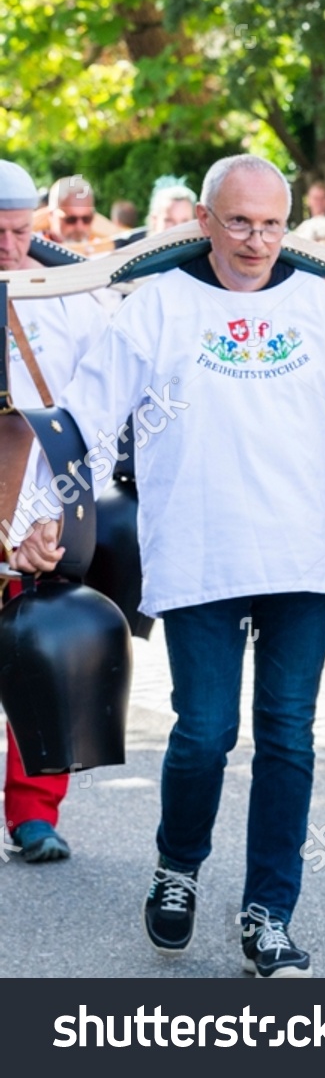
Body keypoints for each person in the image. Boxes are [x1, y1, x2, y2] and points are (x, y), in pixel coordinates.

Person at [9, 154, 325, 976]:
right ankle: (178, 868)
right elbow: (80, 419)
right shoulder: (156, 308)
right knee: (206, 732)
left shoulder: (318, 309)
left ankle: (269, 911)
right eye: (238, 222)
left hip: (301, 551)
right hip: (198, 552)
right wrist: (32, 514)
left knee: (288, 736)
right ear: (204, 222)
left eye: (270, 224)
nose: (256, 240)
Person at [0, 159, 109, 863]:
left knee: (44, 655)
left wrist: (60, 509)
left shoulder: (72, 296)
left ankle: (34, 811)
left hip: (42, 504)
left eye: (17, 231)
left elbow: (98, 404)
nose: (8, 245)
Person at [44, 176, 98, 245]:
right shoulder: (32, 249)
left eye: (86, 219)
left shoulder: (105, 250)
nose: (79, 228)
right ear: (51, 215)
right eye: (71, 219)